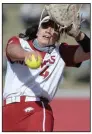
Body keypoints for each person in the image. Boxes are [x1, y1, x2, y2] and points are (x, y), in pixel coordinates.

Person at [3, 14, 90, 132]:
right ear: (38, 30)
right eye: (45, 26)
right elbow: (11, 50)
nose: (49, 30)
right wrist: (26, 54)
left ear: (57, 36)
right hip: (7, 111)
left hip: (36, 109)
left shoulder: (61, 53)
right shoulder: (20, 43)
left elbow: (87, 53)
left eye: (55, 29)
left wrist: (78, 35)